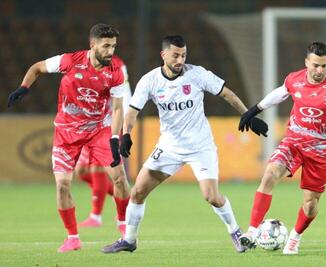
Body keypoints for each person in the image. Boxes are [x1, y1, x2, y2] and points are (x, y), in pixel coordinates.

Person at [102, 35, 269, 254]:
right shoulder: (150, 80)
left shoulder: (197, 74)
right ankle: (129, 240)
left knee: (211, 196)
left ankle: (236, 231)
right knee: (138, 192)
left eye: (183, 55)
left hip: (201, 147)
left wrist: (248, 114)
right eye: (175, 55)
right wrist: (126, 134)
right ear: (164, 55)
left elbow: (226, 93)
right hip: (169, 147)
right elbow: (132, 111)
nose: (180, 60)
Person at [237, 42, 326, 254]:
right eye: (316, 65)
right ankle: (252, 232)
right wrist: (254, 110)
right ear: (306, 63)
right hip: (293, 142)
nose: (320, 71)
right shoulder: (294, 79)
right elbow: (279, 94)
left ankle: (295, 236)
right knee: (269, 175)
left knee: (310, 204)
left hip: (321, 150)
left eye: (324, 66)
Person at [7, 23, 131, 253]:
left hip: (99, 130)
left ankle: (124, 225)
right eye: (106, 46)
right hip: (67, 131)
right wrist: (24, 87)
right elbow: (36, 68)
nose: (111, 51)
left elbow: (117, 109)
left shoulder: (115, 72)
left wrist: (115, 137)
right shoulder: (69, 61)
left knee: (120, 178)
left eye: (113, 46)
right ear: (92, 45)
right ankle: (72, 237)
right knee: (63, 185)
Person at [76, 56, 132, 228]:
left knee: (98, 168)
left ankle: (96, 216)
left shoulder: (117, 65)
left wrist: (124, 126)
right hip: (90, 123)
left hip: (110, 124)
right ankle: (127, 200)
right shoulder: (85, 63)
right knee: (82, 171)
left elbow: (122, 96)